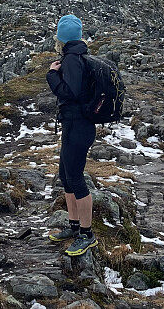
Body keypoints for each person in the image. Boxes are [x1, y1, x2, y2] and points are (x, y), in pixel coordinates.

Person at [46, 14, 98, 256]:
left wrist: (52, 77)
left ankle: (87, 235)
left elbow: (71, 92)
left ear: (61, 38)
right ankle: (74, 226)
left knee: (75, 179)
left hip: (78, 127)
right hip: (75, 126)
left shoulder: (72, 59)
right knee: (65, 176)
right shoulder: (76, 56)